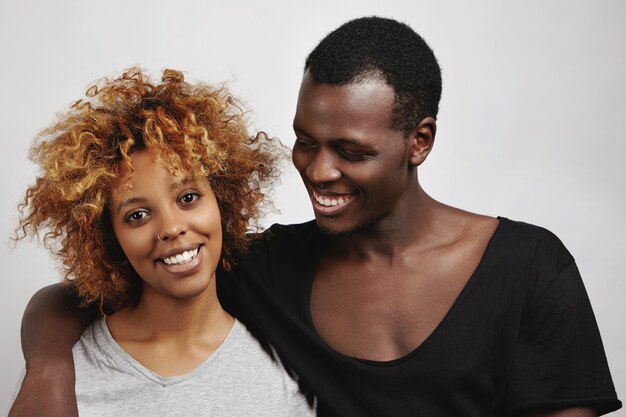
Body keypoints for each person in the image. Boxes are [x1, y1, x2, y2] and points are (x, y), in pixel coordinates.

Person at [10, 17, 621, 417]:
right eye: (306, 141)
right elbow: (86, 293)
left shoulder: (528, 269)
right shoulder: (267, 267)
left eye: (351, 152)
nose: (319, 171)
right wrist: (48, 372)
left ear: (420, 140)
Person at [9, 68, 314, 417]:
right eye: (137, 215)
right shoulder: (65, 379)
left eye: (187, 198)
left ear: (222, 201)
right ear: (109, 237)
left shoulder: (282, 371)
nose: (170, 227)